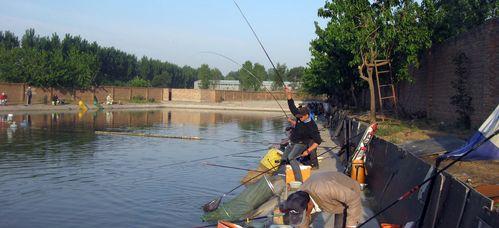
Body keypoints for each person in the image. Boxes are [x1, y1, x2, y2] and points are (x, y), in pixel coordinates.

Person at [280, 171, 362, 228]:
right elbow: (302, 222)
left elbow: (353, 199)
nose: (303, 216)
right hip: (323, 198)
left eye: (304, 213)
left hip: (349, 193)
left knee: (344, 224)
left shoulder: (327, 189)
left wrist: (351, 225)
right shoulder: (299, 197)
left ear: (309, 205)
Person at [282, 86, 322, 182]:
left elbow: (318, 141)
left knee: (291, 158)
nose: (299, 118)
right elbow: (291, 104)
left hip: (301, 144)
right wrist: (289, 93)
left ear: (307, 115)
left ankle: (299, 181)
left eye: (301, 117)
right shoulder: (299, 116)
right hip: (292, 142)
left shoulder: (312, 125)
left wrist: (308, 151)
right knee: (284, 158)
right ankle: (284, 174)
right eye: (298, 116)